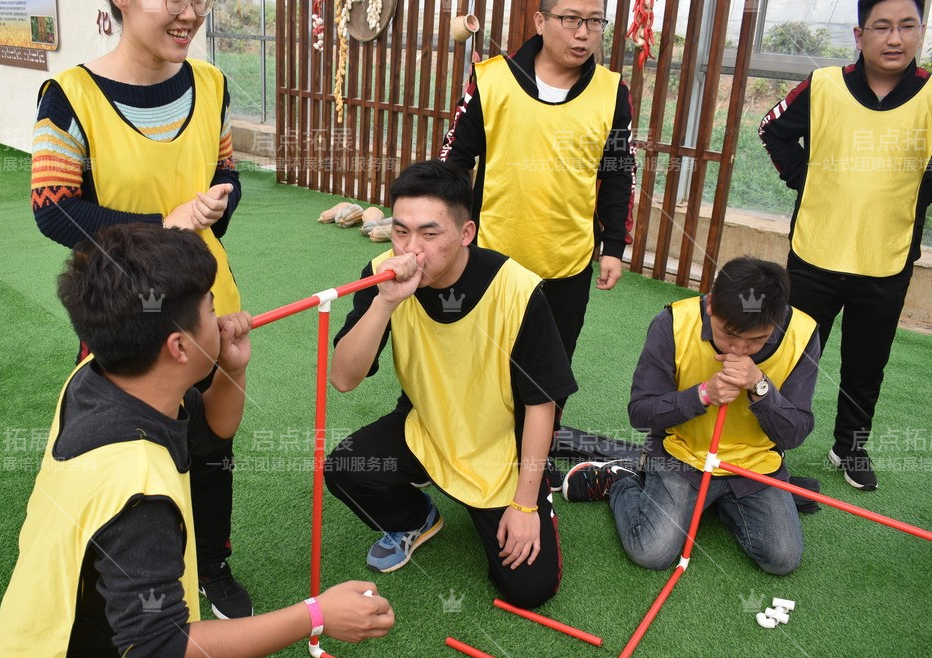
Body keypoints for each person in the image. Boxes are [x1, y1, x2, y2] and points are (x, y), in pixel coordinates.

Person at [0, 224, 394, 658]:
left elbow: (210, 433)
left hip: (33, 648)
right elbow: (160, 649)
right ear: (179, 348)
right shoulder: (137, 488)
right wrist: (316, 614)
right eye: (210, 307)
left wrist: (231, 367)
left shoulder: (102, 377)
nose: (221, 317)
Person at [30, 0, 250, 615]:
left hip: (206, 308)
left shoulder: (213, 84)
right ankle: (125, 580)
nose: (190, 13)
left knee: (211, 446)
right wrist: (163, 225)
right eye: (173, 0)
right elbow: (53, 207)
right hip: (125, 317)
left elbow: (226, 169)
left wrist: (216, 205)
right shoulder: (69, 95)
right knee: (125, 458)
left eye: (200, 1)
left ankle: (212, 564)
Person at [324, 161, 576, 609]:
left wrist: (524, 507)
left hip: (501, 448)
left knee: (529, 589)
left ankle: (542, 496)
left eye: (429, 234)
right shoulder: (383, 273)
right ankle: (417, 518)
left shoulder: (517, 289)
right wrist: (383, 305)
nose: (411, 250)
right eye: (400, 232)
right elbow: (343, 378)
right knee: (345, 467)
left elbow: (542, 403)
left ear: (466, 233)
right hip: (428, 426)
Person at [759, 0, 931, 491]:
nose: (894, 38)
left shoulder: (930, 96)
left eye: (907, 26)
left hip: (887, 259)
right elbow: (772, 130)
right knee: (793, 355)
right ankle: (770, 442)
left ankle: (849, 446)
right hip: (815, 254)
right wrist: (804, 180)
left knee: (866, 362)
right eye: (882, 27)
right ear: (860, 35)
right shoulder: (824, 85)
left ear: (921, 31)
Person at [565, 257, 820, 575]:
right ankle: (622, 481)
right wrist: (702, 396)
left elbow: (794, 433)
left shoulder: (803, 333)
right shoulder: (673, 322)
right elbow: (640, 413)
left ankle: (717, 502)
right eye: (728, 335)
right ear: (711, 305)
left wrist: (760, 386)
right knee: (652, 553)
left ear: (779, 320)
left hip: (754, 467)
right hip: (682, 458)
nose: (739, 351)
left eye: (757, 340)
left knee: (782, 559)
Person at [439, 0, 635, 390]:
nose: (583, 33)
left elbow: (618, 172)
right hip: (490, 256)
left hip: (568, 262)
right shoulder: (492, 79)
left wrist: (613, 244)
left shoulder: (612, 91)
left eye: (595, 22)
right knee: (478, 368)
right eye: (571, 19)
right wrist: (447, 233)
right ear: (541, 21)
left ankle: (536, 448)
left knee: (549, 375)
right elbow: (454, 162)